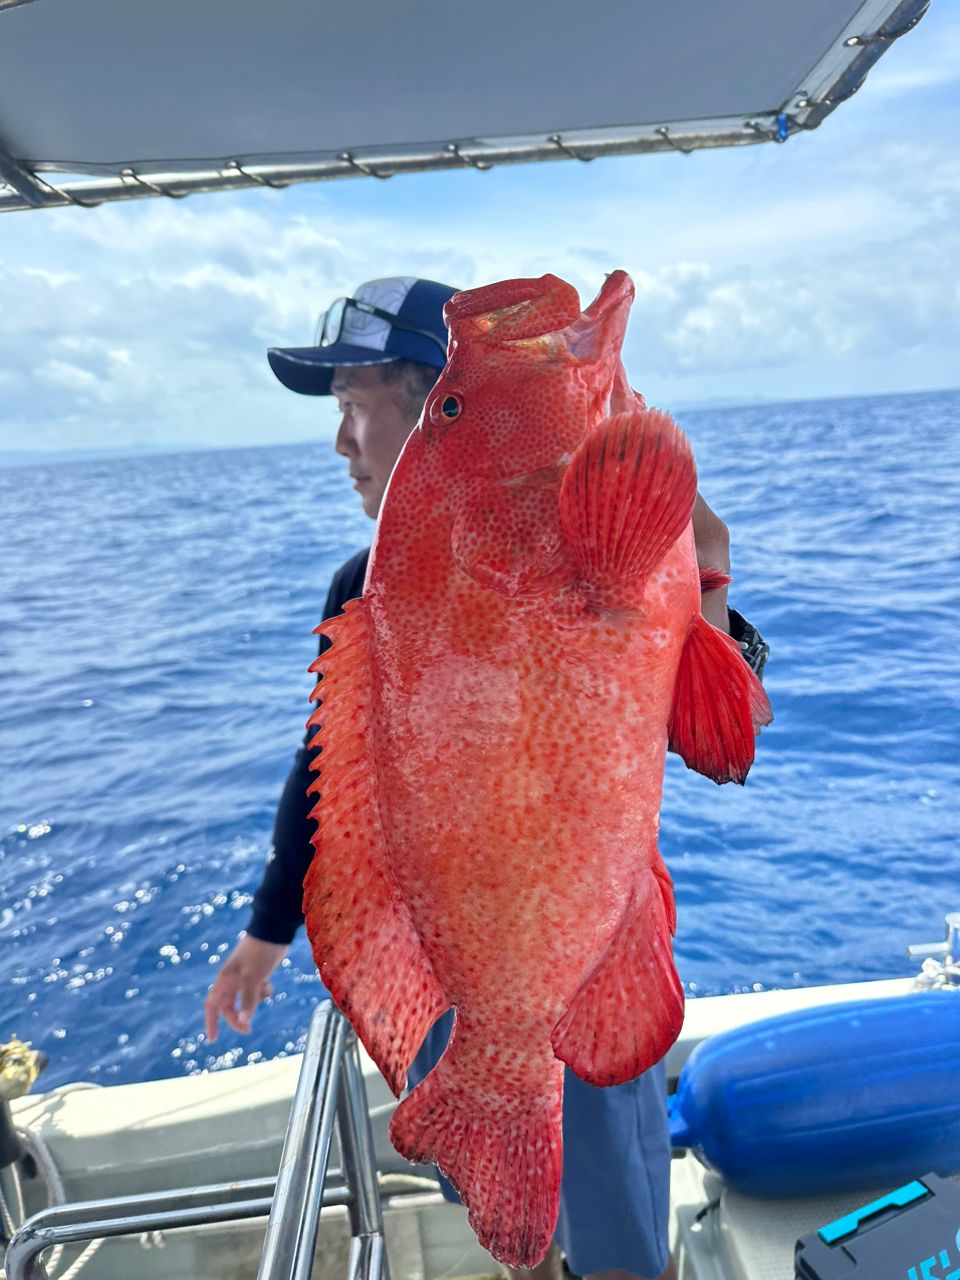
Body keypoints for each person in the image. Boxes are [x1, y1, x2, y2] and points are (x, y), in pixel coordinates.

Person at [204, 275, 768, 1280]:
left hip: (576, 941)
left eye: (353, 410)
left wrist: (706, 581)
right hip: (448, 956)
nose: (340, 445)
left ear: (433, 410)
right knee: (511, 1222)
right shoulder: (363, 585)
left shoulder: (570, 538)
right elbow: (331, 785)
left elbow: (716, 734)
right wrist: (266, 929)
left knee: (620, 1228)